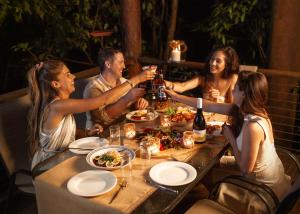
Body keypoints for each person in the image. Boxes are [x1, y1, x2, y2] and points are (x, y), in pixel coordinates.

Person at [165, 70, 291, 199]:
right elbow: (208, 105)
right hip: (265, 176)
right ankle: (210, 194)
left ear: (244, 94)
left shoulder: (253, 126)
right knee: (204, 164)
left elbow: (246, 171)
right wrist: (175, 96)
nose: (232, 91)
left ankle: (211, 200)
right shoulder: (252, 110)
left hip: (263, 192)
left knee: (203, 168)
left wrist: (231, 138)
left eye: (235, 88)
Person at [27, 60, 155, 169]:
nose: (73, 77)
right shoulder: (57, 106)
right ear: (55, 84)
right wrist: (138, 78)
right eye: (67, 75)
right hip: (48, 166)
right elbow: (102, 100)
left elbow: (60, 132)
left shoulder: (60, 106)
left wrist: (87, 133)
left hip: (64, 157)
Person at [83, 48, 156, 129]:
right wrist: (127, 98)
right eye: (121, 62)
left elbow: (130, 108)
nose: (124, 66)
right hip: (101, 136)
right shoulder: (93, 88)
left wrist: (138, 103)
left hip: (125, 129)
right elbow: (102, 119)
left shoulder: (124, 81)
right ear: (108, 64)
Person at [165, 46, 239, 103]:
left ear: (227, 65)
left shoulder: (232, 78)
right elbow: (182, 87)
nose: (213, 63)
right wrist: (164, 83)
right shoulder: (203, 78)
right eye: (212, 59)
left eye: (218, 61)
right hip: (206, 115)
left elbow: (233, 105)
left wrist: (218, 99)